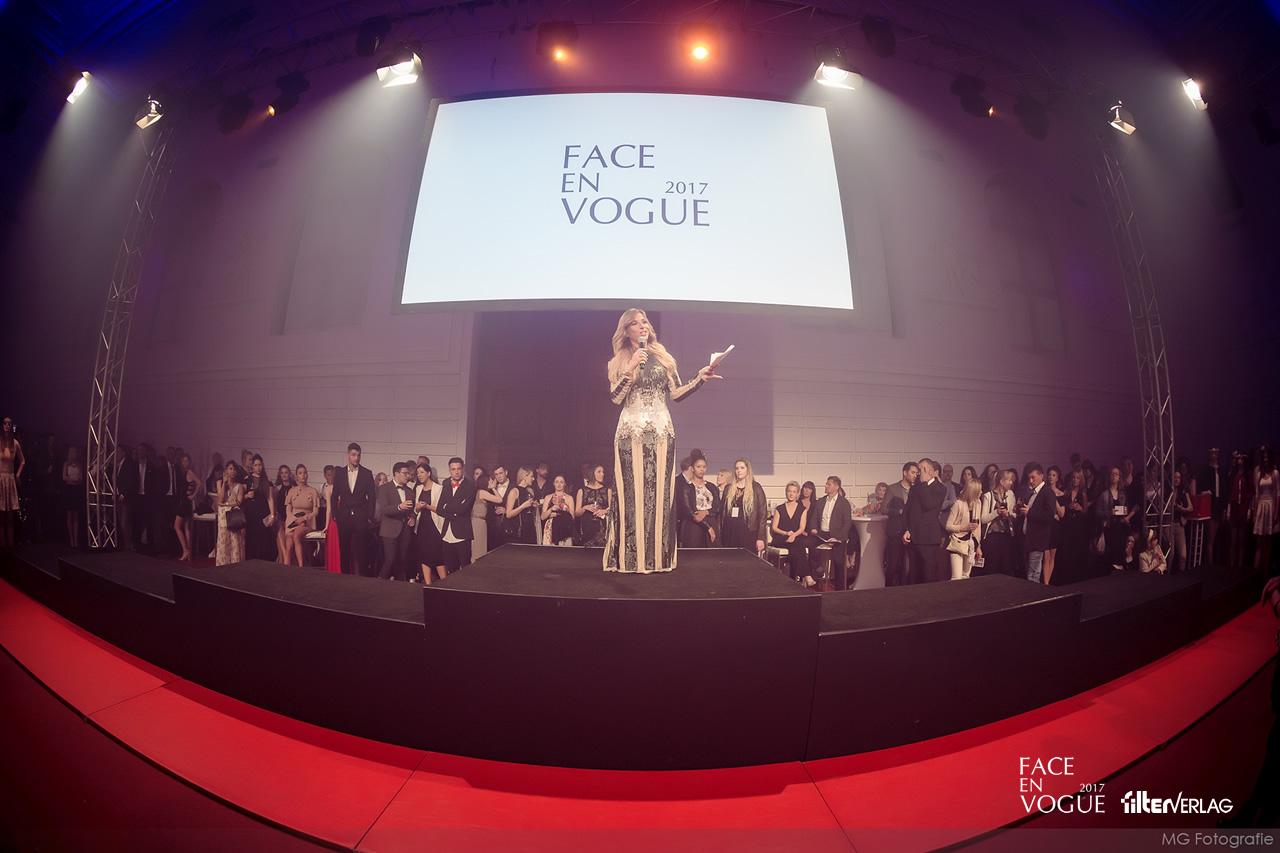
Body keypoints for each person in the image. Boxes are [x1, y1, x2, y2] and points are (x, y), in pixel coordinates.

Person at [602, 308, 720, 573]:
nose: (642, 326)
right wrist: (630, 368)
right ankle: (629, 559)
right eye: (635, 323)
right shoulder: (618, 361)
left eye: (644, 321)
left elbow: (676, 393)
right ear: (626, 331)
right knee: (631, 494)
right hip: (631, 434)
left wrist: (700, 378)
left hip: (661, 433)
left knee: (660, 496)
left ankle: (657, 558)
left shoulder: (663, 356)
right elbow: (615, 398)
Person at [331, 442, 376, 576]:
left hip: (361, 517)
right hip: (343, 517)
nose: (356, 458)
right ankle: (344, 577)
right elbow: (334, 495)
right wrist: (335, 514)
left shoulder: (367, 473)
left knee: (362, 550)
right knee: (344, 548)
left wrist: (369, 516)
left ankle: (363, 578)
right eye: (353, 455)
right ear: (348, 455)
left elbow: (372, 497)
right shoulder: (339, 473)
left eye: (358, 455)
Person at [902, 458, 946, 584]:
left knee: (928, 575)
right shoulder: (915, 488)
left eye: (920, 470)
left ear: (929, 471)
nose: (917, 473)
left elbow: (928, 504)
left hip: (928, 539)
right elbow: (908, 511)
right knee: (913, 576)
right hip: (913, 538)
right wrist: (907, 529)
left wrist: (925, 482)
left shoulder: (940, 488)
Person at [807, 475, 852, 588]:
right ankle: (817, 575)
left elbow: (847, 523)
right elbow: (813, 518)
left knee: (838, 560)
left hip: (837, 536)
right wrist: (813, 528)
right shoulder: (821, 501)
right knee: (810, 545)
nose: (826, 486)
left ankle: (840, 588)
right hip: (821, 534)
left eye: (829, 484)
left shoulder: (844, 503)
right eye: (826, 484)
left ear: (836, 487)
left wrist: (838, 537)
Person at [720, 458, 768, 557]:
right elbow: (722, 513)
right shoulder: (728, 488)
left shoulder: (756, 487)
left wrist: (761, 537)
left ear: (748, 470)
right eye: (737, 468)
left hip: (748, 531)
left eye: (742, 468)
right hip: (730, 531)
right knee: (730, 560)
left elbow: (763, 514)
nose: (739, 470)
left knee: (747, 561)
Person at [376, 462, 416, 581]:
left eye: (408, 473)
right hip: (389, 529)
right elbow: (384, 509)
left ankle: (400, 586)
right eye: (405, 473)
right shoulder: (384, 488)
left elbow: (412, 509)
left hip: (405, 530)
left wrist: (413, 517)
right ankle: (378, 583)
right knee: (390, 559)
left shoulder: (409, 490)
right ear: (396, 473)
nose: (407, 476)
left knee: (402, 560)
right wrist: (399, 507)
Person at [438, 457, 477, 574]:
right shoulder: (445, 483)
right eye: (453, 469)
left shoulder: (470, 485)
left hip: (462, 532)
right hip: (446, 533)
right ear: (449, 470)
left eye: (458, 469)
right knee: (450, 569)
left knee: (465, 568)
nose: (456, 472)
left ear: (463, 469)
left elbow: (464, 508)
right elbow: (439, 509)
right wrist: (454, 512)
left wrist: (447, 506)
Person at [1019, 463, 1055, 584]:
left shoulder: (1047, 492)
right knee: (1030, 573)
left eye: (1033, 477)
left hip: (1038, 540)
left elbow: (1049, 516)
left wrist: (1030, 512)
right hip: (1029, 539)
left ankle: (1034, 595)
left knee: (1033, 574)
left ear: (1041, 475)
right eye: (1029, 478)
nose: (1031, 481)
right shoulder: (1033, 493)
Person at [978, 469, 1018, 577]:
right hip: (992, 537)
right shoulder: (988, 496)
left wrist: (1008, 514)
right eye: (1009, 480)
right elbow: (983, 519)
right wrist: (997, 512)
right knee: (992, 567)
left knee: (1006, 567)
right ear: (1001, 481)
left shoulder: (1010, 494)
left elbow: (1014, 515)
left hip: (1007, 535)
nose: (1011, 483)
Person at [883, 463, 917, 586]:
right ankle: (888, 590)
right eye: (912, 472)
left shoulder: (916, 489)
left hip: (911, 532)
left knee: (907, 566)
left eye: (916, 473)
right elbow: (884, 509)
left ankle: (903, 590)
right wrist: (900, 511)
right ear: (904, 472)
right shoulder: (892, 489)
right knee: (892, 565)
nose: (915, 475)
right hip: (895, 533)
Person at [1096, 466, 1136, 569]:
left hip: (1121, 525)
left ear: (1119, 477)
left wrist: (1122, 512)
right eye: (1112, 474)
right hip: (1109, 526)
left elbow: (1126, 509)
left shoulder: (1123, 494)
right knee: (1111, 553)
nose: (1114, 476)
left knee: (1121, 549)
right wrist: (1110, 512)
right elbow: (1098, 512)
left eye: (1116, 474)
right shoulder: (1104, 494)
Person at [770, 481, 810, 583]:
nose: (791, 494)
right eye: (789, 491)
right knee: (798, 546)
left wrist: (794, 535)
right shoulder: (779, 509)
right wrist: (787, 533)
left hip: (795, 538)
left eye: (794, 492)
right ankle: (805, 575)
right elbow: (774, 528)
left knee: (796, 546)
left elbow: (802, 527)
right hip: (781, 538)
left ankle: (794, 579)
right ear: (786, 492)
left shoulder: (802, 509)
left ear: (797, 494)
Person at [281, 464, 320, 567]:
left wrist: (304, 518)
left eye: (305, 473)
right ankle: (285, 570)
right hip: (293, 522)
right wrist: (295, 520)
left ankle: (300, 567)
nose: (303, 475)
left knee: (297, 534)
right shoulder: (292, 491)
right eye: (300, 473)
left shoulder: (313, 491)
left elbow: (316, 511)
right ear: (296, 476)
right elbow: (288, 510)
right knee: (289, 543)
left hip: (307, 523)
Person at [677, 453, 719, 548]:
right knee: (695, 553)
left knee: (712, 553)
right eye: (698, 467)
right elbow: (688, 511)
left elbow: (717, 507)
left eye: (704, 467)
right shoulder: (686, 487)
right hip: (694, 526)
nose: (701, 469)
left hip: (711, 521)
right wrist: (707, 527)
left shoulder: (711, 487)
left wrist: (706, 512)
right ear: (692, 468)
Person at [412, 462, 445, 582]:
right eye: (418, 473)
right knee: (424, 555)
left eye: (422, 472)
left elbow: (441, 510)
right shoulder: (418, 488)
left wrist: (427, 506)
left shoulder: (439, 488)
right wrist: (417, 508)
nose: (419, 475)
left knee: (437, 556)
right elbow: (416, 509)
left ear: (429, 473)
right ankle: (427, 584)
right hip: (422, 526)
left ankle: (445, 583)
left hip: (434, 526)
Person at [1057, 470, 1092, 582]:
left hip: (1078, 525)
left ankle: (1077, 576)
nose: (1075, 480)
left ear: (1081, 480)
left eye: (1077, 478)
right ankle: (1066, 575)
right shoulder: (1066, 491)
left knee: (1077, 549)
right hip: (1067, 524)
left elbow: (1086, 511)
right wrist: (1068, 506)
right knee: (1066, 549)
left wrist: (1080, 508)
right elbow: (1062, 506)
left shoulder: (1083, 493)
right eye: (1073, 477)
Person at [945, 479, 983, 580]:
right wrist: (964, 527)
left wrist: (978, 546)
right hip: (958, 543)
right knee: (957, 577)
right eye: (979, 490)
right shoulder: (958, 504)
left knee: (966, 576)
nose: (981, 492)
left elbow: (978, 526)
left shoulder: (978, 503)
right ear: (973, 491)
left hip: (971, 544)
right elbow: (948, 526)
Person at [1197, 448, 1226, 566]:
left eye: (1216, 452)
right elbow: (1200, 488)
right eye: (1212, 452)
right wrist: (1205, 492)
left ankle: (1215, 563)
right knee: (1210, 538)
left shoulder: (1221, 470)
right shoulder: (1205, 470)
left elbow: (1224, 489)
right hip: (1210, 505)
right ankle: (1209, 565)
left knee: (1217, 538)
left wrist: (1224, 508)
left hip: (1219, 505)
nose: (1214, 454)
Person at [215, 462, 246, 566]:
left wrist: (227, 504)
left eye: (234, 469)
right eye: (230, 469)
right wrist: (224, 483)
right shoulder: (220, 483)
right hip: (223, 515)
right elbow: (220, 499)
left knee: (235, 540)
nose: (232, 471)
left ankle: (235, 564)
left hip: (234, 514)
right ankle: (223, 564)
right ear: (226, 470)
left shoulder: (239, 486)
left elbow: (239, 501)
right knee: (223, 539)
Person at [0, 417, 24, 548]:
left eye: (9, 424)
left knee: (10, 516)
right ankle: (2, 545)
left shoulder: (15, 443)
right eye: (5, 423)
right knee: (1, 515)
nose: (7, 425)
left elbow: (23, 460)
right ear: (2, 425)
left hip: (10, 479)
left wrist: (17, 474)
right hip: (1, 479)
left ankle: (10, 545)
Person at [1253, 451, 1279, 573]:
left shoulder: (1275, 473)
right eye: (1264, 457)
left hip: (1270, 505)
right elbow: (1257, 494)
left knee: (1268, 543)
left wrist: (1276, 512)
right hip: (1261, 506)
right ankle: (1255, 573)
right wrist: (1254, 512)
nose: (1266, 459)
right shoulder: (1259, 474)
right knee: (1259, 542)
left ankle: (1265, 573)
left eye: (1267, 457)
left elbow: (1278, 493)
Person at [1228, 451, 1254, 570]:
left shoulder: (1248, 475)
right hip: (1234, 507)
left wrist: (1249, 509)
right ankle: (1232, 565)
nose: (1240, 461)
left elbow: (1251, 493)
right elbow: (1230, 493)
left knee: (1242, 539)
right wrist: (1229, 509)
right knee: (1233, 539)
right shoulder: (1234, 474)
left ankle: (1240, 565)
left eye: (1242, 459)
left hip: (1243, 508)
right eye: (1238, 459)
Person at [1041, 466, 1067, 585]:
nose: (1051, 477)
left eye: (1054, 475)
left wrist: (1054, 497)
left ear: (1057, 478)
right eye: (1049, 474)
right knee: (1045, 556)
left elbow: (1062, 514)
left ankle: (1047, 582)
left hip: (1056, 528)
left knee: (1052, 556)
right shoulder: (1043, 492)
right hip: (1046, 526)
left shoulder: (1061, 494)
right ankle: (1045, 583)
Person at [470, 466, 502, 559]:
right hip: (478, 522)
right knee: (478, 548)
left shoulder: (479, 492)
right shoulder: (482, 492)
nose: (492, 482)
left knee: (479, 547)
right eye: (490, 481)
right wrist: (493, 488)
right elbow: (499, 499)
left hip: (478, 522)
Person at [576, 463, 611, 547]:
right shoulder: (582, 491)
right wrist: (585, 507)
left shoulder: (608, 490)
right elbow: (576, 513)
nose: (602, 474)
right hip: (587, 527)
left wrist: (604, 511)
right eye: (599, 472)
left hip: (602, 526)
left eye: (603, 472)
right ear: (592, 473)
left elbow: (613, 509)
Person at [503, 467, 539, 545]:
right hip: (519, 530)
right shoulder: (514, 491)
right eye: (531, 476)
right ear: (524, 476)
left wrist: (534, 506)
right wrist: (523, 506)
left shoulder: (529, 491)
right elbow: (508, 514)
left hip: (530, 529)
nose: (533, 479)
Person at [172, 453, 198, 561]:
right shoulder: (184, 472)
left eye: (187, 461)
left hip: (184, 503)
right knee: (186, 527)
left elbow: (200, 483)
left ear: (189, 462)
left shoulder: (189, 472)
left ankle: (185, 550)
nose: (185, 463)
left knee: (176, 526)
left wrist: (193, 495)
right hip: (185, 502)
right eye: (183, 461)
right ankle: (189, 553)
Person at [540, 475, 577, 546]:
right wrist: (551, 509)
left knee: (565, 551)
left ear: (565, 484)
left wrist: (563, 507)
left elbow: (572, 517)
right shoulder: (548, 497)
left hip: (565, 528)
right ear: (553, 483)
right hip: (551, 528)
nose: (559, 484)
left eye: (561, 482)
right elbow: (542, 517)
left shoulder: (569, 498)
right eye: (556, 482)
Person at [1170, 469, 1194, 572]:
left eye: (1179, 477)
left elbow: (1191, 508)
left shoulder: (1183, 492)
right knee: (1170, 554)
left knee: (1183, 555)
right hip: (1169, 524)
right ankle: (1167, 576)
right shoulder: (1167, 491)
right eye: (1175, 477)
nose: (1177, 479)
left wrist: (1182, 509)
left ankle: (1182, 576)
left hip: (1179, 524)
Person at [270, 464, 294, 563]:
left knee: (286, 538)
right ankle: (283, 558)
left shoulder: (294, 488)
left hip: (291, 518)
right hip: (280, 517)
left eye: (286, 472)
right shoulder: (277, 488)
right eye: (282, 473)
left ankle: (284, 559)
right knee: (279, 532)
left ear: (289, 474)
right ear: (280, 475)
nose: (284, 475)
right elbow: (274, 504)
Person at [62, 445, 83, 549]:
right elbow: (64, 477)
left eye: (75, 452)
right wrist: (72, 480)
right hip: (69, 490)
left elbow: (81, 479)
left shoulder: (79, 464)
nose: (74, 454)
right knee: (69, 515)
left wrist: (76, 480)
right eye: (72, 452)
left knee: (76, 515)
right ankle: (71, 539)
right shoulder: (66, 464)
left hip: (76, 491)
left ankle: (76, 539)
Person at [487, 465, 512, 549]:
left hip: (509, 526)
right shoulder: (491, 488)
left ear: (506, 472)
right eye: (496, 474)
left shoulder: (514, 486)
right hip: (494, 527)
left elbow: (518, 505)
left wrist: (507, 510)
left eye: (501, 473)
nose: (499, 476)